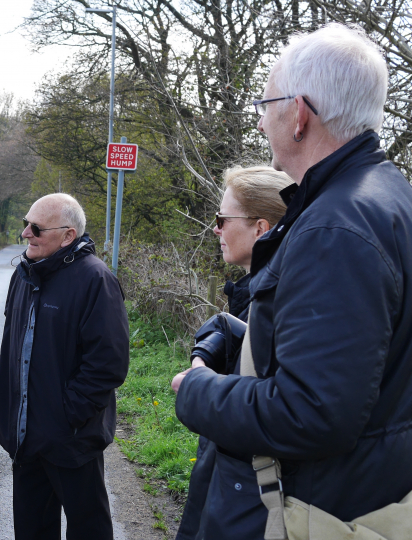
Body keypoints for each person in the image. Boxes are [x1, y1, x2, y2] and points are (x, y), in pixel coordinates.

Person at [172, 23, 412, 539]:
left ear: (299, 114)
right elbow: (360, 358)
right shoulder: (389, 198)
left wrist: (197, 391)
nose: (260, 122)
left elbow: (312, 412)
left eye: (265, 104)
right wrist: (240, 336)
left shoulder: (336, 227)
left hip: (313, 511)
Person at [0, 193, 130, 540]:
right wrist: (2, 388)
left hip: (72, 441)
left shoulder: (96, 280)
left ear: (68, 236)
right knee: (32, 530)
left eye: (36, 228)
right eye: (26, 224)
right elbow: (11, 343)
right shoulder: (23, 275)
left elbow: (108, 363)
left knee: (88, 530)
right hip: (26, 438)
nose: (26, 234)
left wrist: (67, 415)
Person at [174, 166, 293, 540]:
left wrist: (197, 384)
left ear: (261, 228)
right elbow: (232, 332)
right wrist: (211, 343)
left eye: (222, 219)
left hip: (255, 495)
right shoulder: (258, 292)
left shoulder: (286, 298)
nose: (215, 229)